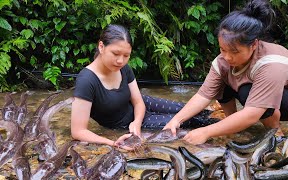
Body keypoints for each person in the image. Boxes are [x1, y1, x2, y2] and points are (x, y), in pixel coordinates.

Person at [163, 0, 288, 145]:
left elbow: (252, 114)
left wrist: (206, 132)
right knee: (222, 84)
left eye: (234, 52)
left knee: (246, 91)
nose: (227, 57)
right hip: (256, 92)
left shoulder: (272, 63)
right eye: (223, 49)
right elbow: (203, 95)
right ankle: (233, 124)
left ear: (254, 44)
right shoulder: (222, 61)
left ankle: (275, 132)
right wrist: (176, 120)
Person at [71, 24, 215, 150]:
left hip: (140, 111)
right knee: (191, 121)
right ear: (101, 46)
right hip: (125, 124)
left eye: (126, 55)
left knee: (188, 109)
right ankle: (226, 127)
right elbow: (78, 131)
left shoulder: (123, 68)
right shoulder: (87, 80)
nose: (120, 60)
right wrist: (113, 143)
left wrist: (137, 121)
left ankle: (220, 114)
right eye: (115, 54)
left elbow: (138, 101)